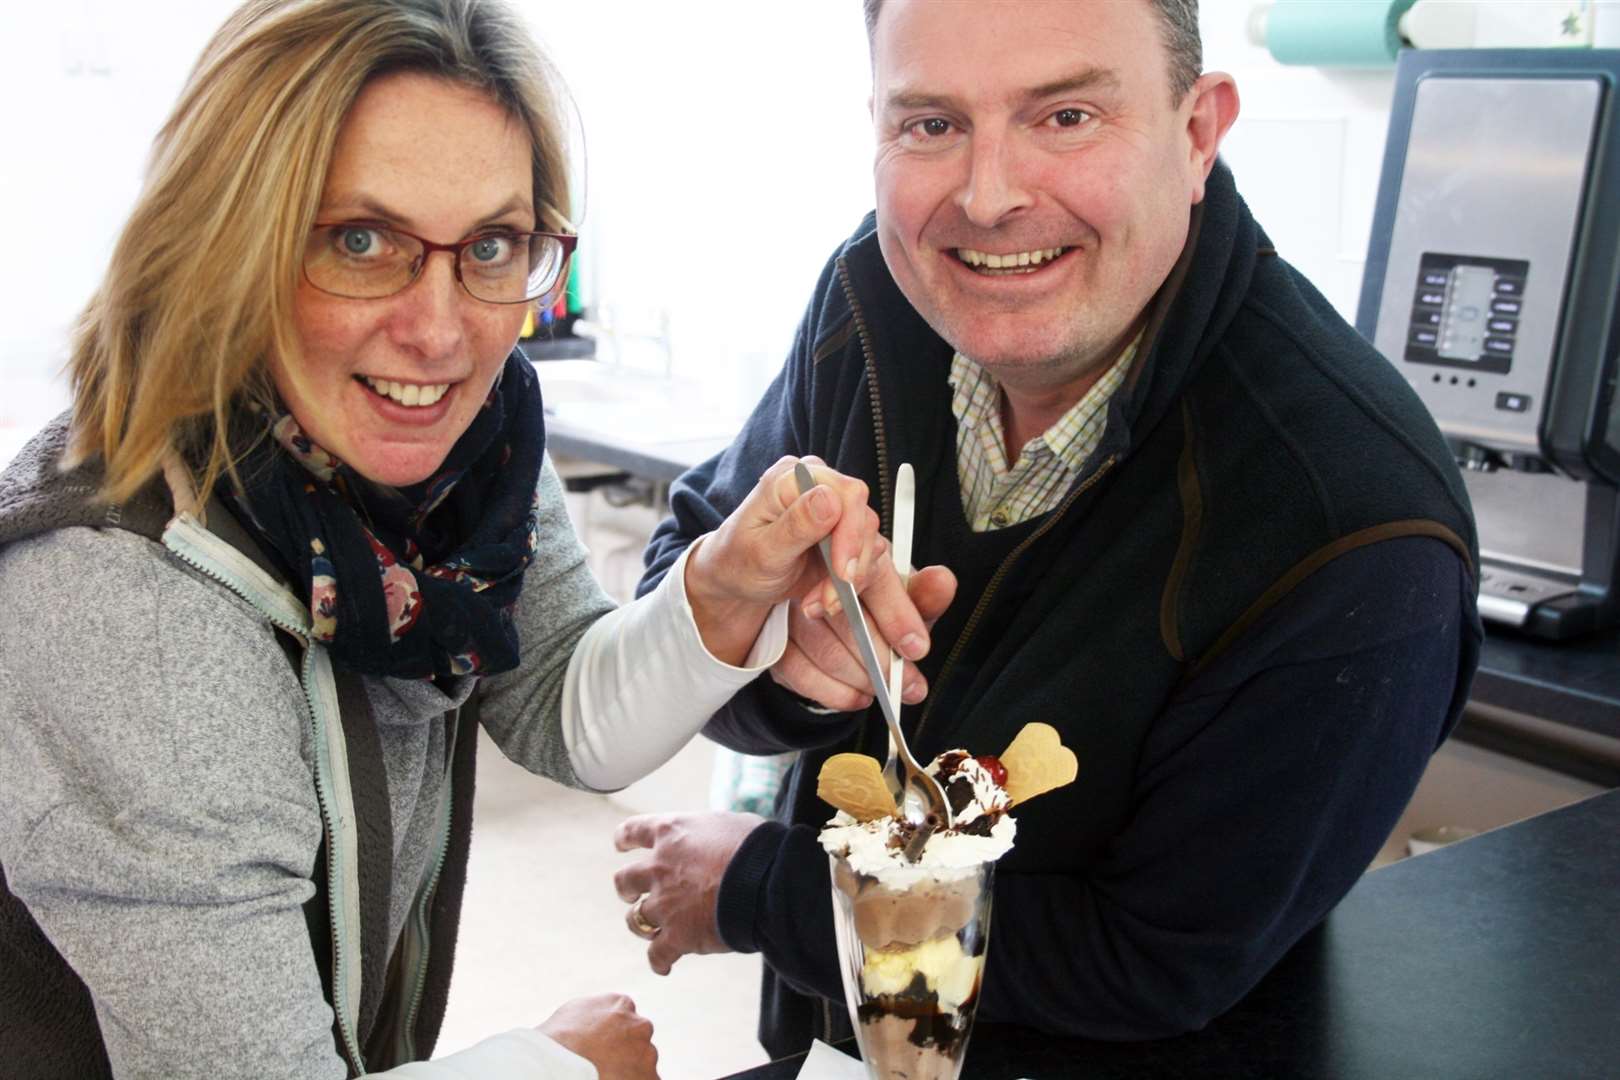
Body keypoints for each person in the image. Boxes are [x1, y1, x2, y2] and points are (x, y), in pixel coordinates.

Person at [0, 2, 927, 1077]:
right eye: (361, 240)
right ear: (225, 235)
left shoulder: (466, 447)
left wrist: (719, 595)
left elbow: (558, 709)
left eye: (492, 245)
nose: (441, 333)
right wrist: (554, 1066)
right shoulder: (128, 608)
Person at [619, 0, 1482, 1058]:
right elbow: (682, 601)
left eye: (1065, 116)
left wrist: (760, 889)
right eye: (931, 124)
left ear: (1199, 131)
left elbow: (1151, 962)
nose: (988, 198)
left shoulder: (1353, 528)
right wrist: (782, 666)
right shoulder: (879, 296)